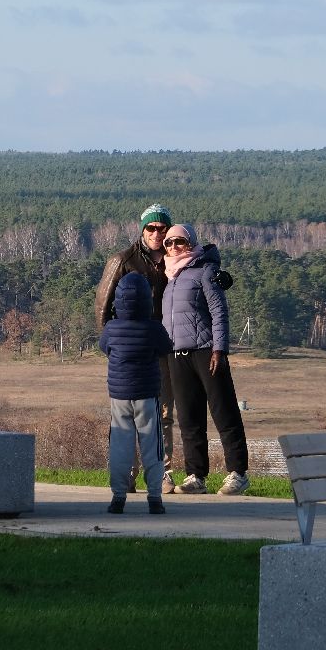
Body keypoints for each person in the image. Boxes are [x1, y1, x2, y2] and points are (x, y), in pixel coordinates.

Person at [159, 223, 249, 495]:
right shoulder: (168, 276)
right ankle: (195, 476)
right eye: (169, 243)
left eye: (180, 242)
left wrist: (219, 350)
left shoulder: (205, 272)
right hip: (177, 354)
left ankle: (238, 473)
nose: (174, 247)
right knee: (188, 418)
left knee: (224, 411)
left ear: (191, 243)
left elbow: (219, 311)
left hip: (206, 351)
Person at [95, 203, 178, 494]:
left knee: (163, 412)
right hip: (129, 353)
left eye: (162, 228)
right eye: (151, 228)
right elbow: (102, 304)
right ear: (142, 229)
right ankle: (126, 473)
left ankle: (163, 474)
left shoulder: (175, 259)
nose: (157, 233)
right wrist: (114, 343)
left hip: (162, 348)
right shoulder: (123, 260)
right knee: (125, 416)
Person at [97, 271, 172, 514]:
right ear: (147, 301)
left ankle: (118, 496)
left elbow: (104, 347)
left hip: (119, 395)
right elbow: (166, 348)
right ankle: (155, 498)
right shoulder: (153, 328)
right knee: (152, 445)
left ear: (118, 300)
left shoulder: (111, 328)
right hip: (148, 395)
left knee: (120, 446)